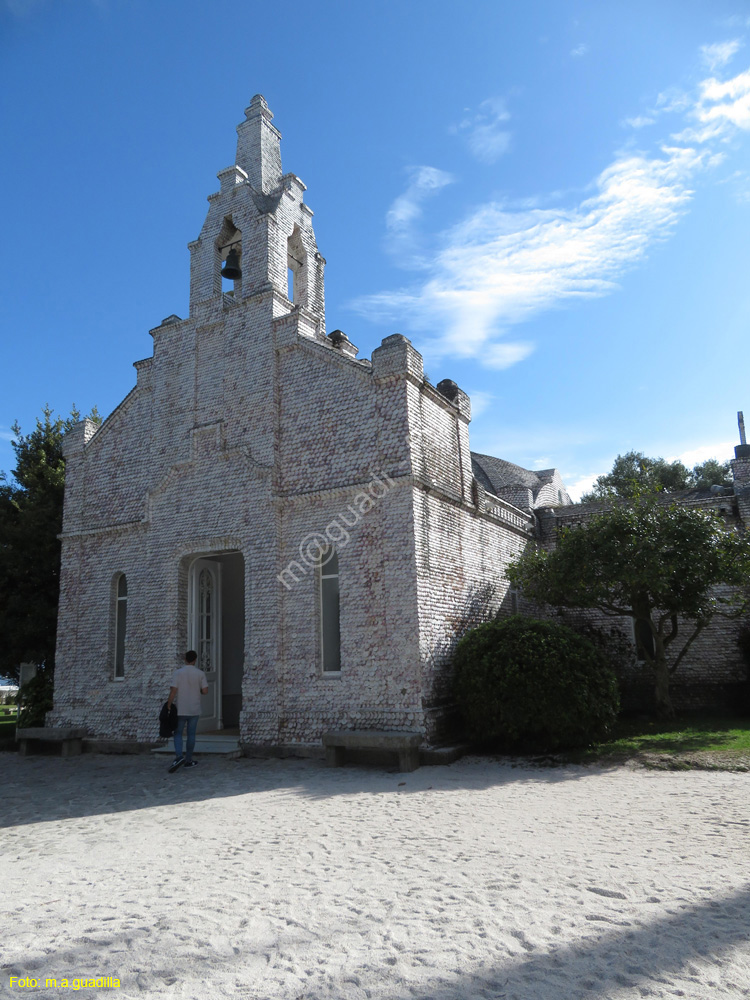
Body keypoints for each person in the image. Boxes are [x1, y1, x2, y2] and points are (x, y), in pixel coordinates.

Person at [166, 651, 208, 773]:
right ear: (195, 660)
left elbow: (173, 691)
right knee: (191, 734)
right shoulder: (200, 674)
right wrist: (198, 691)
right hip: (194, 709)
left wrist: (169, 705)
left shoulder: (178, 673)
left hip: (181, 708)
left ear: (185, 659)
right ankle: (189, 760)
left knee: (178, 733)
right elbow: (205, 691)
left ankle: (179, 756)